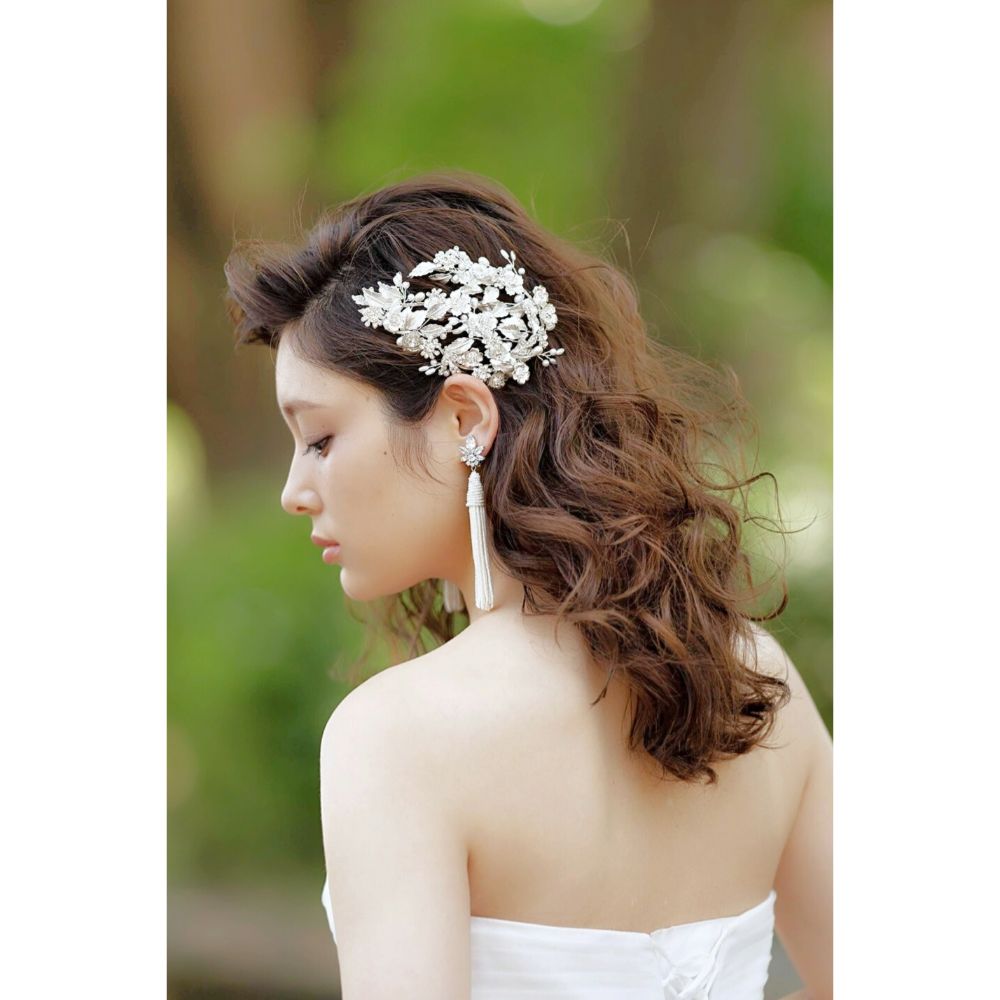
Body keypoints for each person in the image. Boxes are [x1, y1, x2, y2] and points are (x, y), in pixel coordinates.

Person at [224, 171, 832, 1000]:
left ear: (465, 420)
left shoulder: (397, 739)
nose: (294, 491)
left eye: (321, 439)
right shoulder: (755, 677)